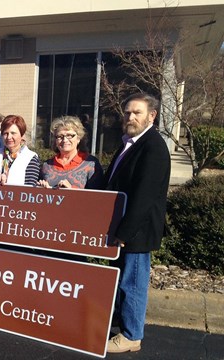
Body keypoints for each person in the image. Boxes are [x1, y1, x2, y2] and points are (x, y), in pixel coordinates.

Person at [104, 93, 171, 353]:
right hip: (126, 228)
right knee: (123, 279)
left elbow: (145, 195)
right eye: (128, 113)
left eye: (137, 113)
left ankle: (132, 336)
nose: (130, 117)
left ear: (151, 116)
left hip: (137, 231)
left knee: (133, 281)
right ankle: (124, 325)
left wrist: (125, 232)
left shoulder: (152, 146)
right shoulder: (130, 144)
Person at [37, 116, 103, 189]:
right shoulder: (47, 166)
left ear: (78, 138)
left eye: (69, 135)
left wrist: (71, 192)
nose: (64, 140)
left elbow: (98, 198)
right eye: (60, 136)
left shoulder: (91, 164)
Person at [0, 115, 40, 186]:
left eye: (13, 133)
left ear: (22, 135)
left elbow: (30, 188)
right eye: (5, 133)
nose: (9, 137)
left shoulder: (30, 158)